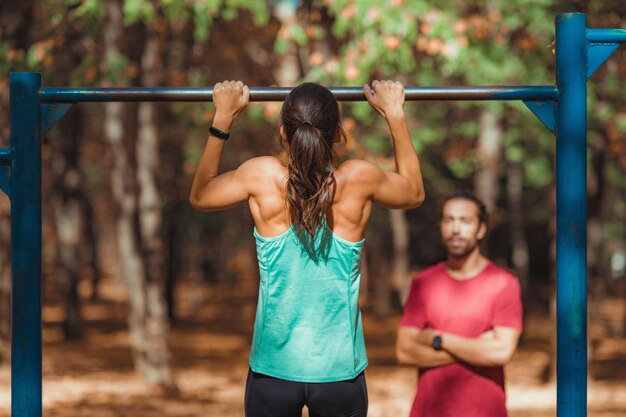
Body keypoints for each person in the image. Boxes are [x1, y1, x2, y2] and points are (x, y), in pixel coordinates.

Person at [190, 79, 425, 417]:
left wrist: (223, 117)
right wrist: (394, 115)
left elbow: (200, 196)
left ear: (284, 133)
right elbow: (414, 193)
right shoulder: (359, 179)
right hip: (339, 375)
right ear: (338, 133)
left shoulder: (262, 176)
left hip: (272, 372)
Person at [396, 191, 523, 417]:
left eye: (465, 221)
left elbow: (502, 352)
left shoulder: (504, 283)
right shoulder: (423, 282)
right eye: (448, 220)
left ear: (481, 228)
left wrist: (439, 339)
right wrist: (476, 346)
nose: (455, 229)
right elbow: (405, 351)